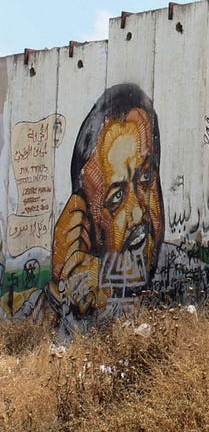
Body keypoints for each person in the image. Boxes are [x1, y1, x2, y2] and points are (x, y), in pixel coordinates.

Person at [51, 84, 163, 322]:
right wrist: (62, 291)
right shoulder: (83, 291)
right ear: (86, 225)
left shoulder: (189, 273)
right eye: (117, 197)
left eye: (145, 178)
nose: (137, 213)